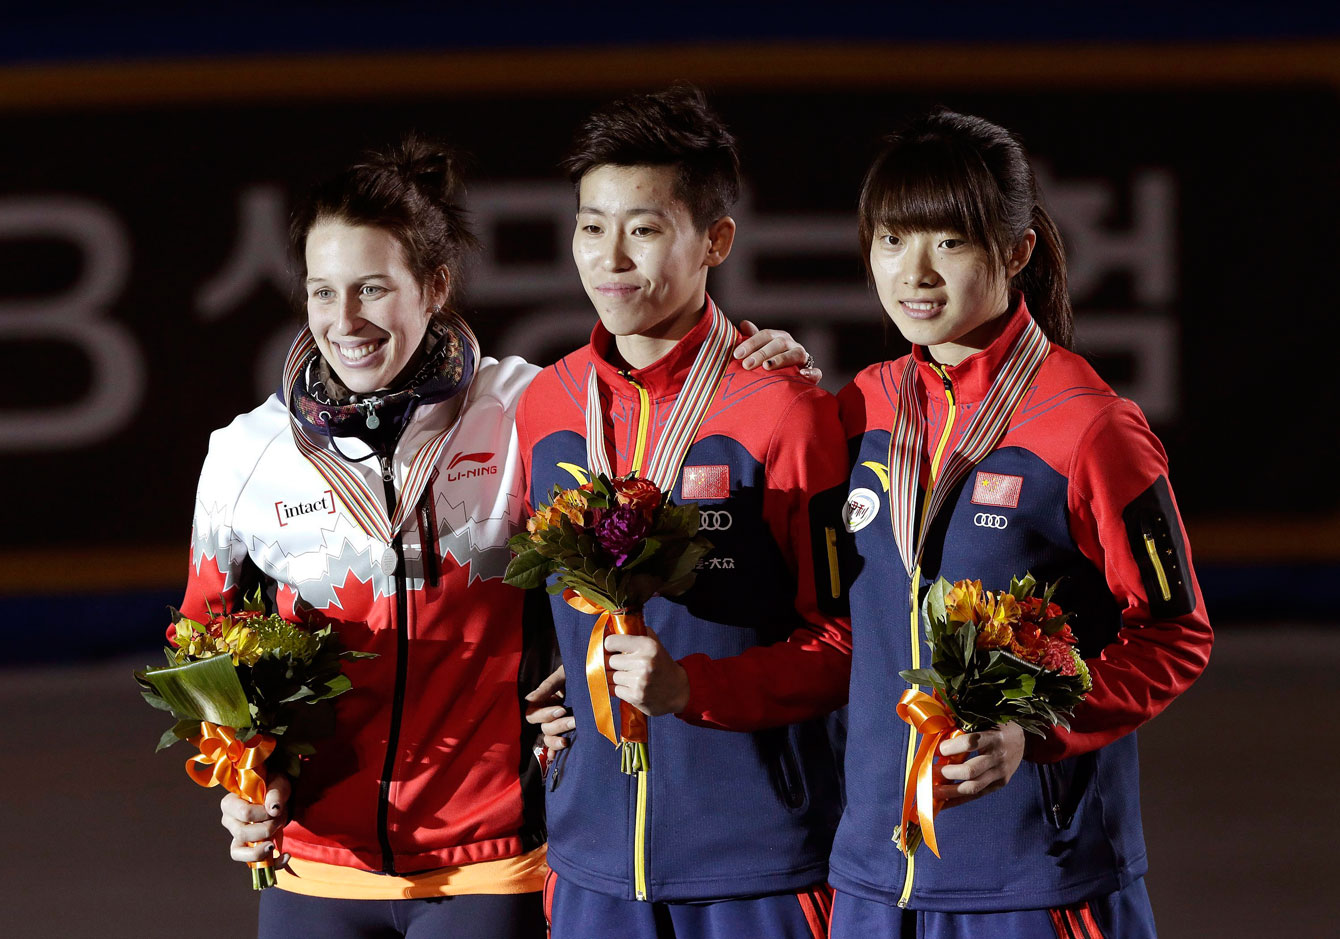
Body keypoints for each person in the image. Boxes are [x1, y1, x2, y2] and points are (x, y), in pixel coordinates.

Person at [181, 135, 817, 938]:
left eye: (373, 288)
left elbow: (647, 412)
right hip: (313, 863)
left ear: (434, 286)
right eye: (320, 291)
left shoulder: (529, 411)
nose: (345, 321)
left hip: (493, 861)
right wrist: (238, 779)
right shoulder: (245, 452)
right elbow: (204, 643)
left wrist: (759, 359)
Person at [827, 109, 1213, 937]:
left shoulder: (1090, 427)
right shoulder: (862, 403)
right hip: (872, 878)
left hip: (1036, 883)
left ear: (1016, 252)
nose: (914, 273)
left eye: (950, 242)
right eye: (892, 241)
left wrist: (1037, 729)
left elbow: (1176, 633)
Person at [516, 85, 851, 939]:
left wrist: (694, 688)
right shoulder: (545, 406)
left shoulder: (784, 411)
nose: (611, 257)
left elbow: (848, 641)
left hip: (758, 869)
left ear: (716, 241)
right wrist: (540, 688)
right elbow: (533, 607)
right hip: (588, 867)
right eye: (592, 226)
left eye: (645, 227)